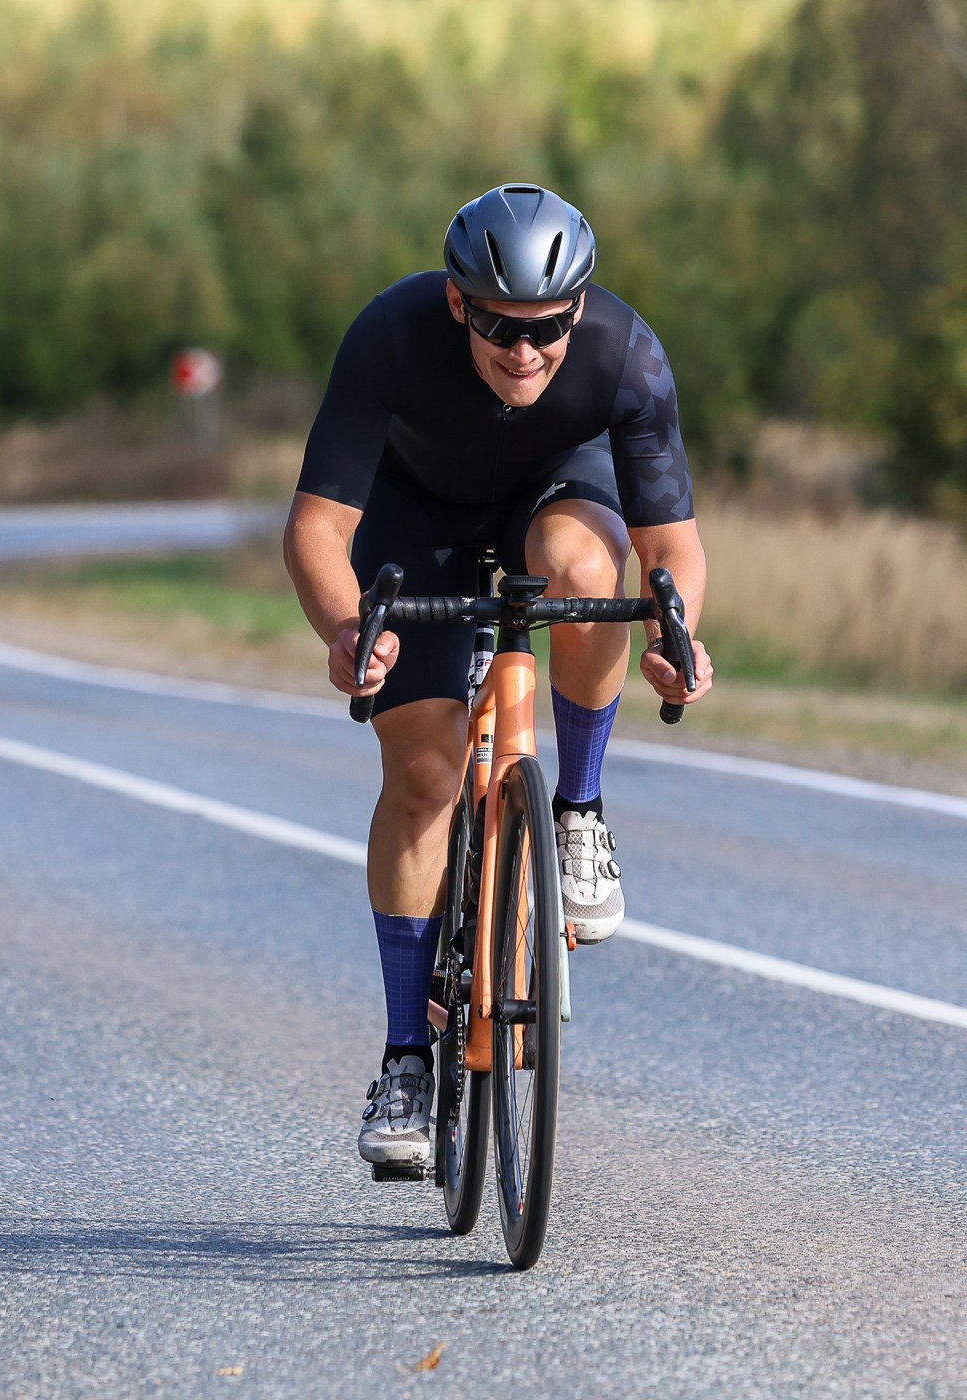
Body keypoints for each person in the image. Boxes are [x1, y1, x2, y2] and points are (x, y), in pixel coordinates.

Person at [279, 183, 715, 1174]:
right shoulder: (388, 335)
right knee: (426, 776)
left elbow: (672, 547)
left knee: (587, 572)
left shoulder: (625, 353)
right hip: (415, 512)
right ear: (456, 304)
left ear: (580, 310)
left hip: (560, 492)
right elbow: (317, 527)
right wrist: (348, 627)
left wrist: (678, 636)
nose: (525, 351)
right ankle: (404, 1058)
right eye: (498, 327)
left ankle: (579, 811)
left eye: (549, 328)